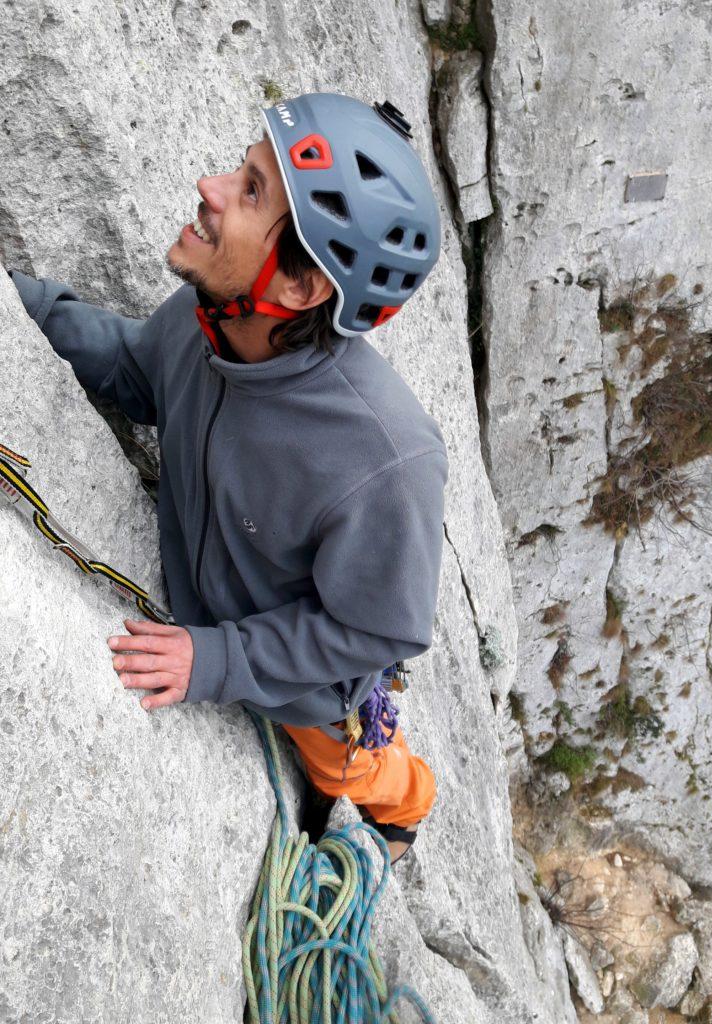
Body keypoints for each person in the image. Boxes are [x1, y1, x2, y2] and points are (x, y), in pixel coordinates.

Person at [9, 92, 447, 864]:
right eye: (240, 170)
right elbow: (136, 371)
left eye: (249, 192)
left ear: (302, 288)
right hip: (218, 607)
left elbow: (377, 627)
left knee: (351, 769)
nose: (209, 188)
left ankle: (410, 803)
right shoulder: (205, 319)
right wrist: (23, 304)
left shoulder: (383, 459)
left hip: (304, 689)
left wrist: (217, 661)